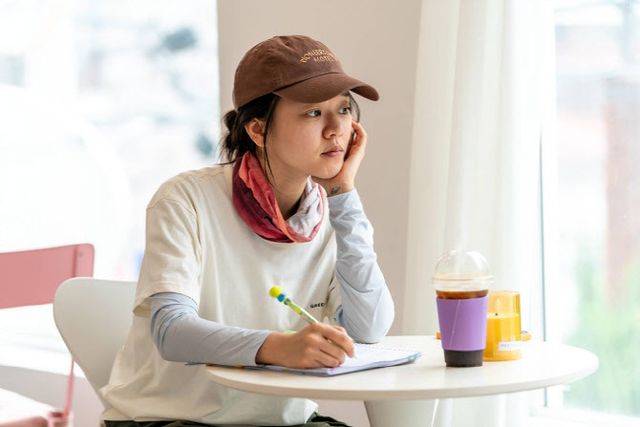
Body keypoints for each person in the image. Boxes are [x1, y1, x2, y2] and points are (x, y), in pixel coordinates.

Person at [101, 35, 394, 427]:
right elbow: (172, 331)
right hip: (166, 420)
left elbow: (369, 329)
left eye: (343, 109)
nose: (335, 130)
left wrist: (344, 196)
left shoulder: (331, 215)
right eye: (312, 113)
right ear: (257, 129)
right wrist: (280, 347)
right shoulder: (185, 199)